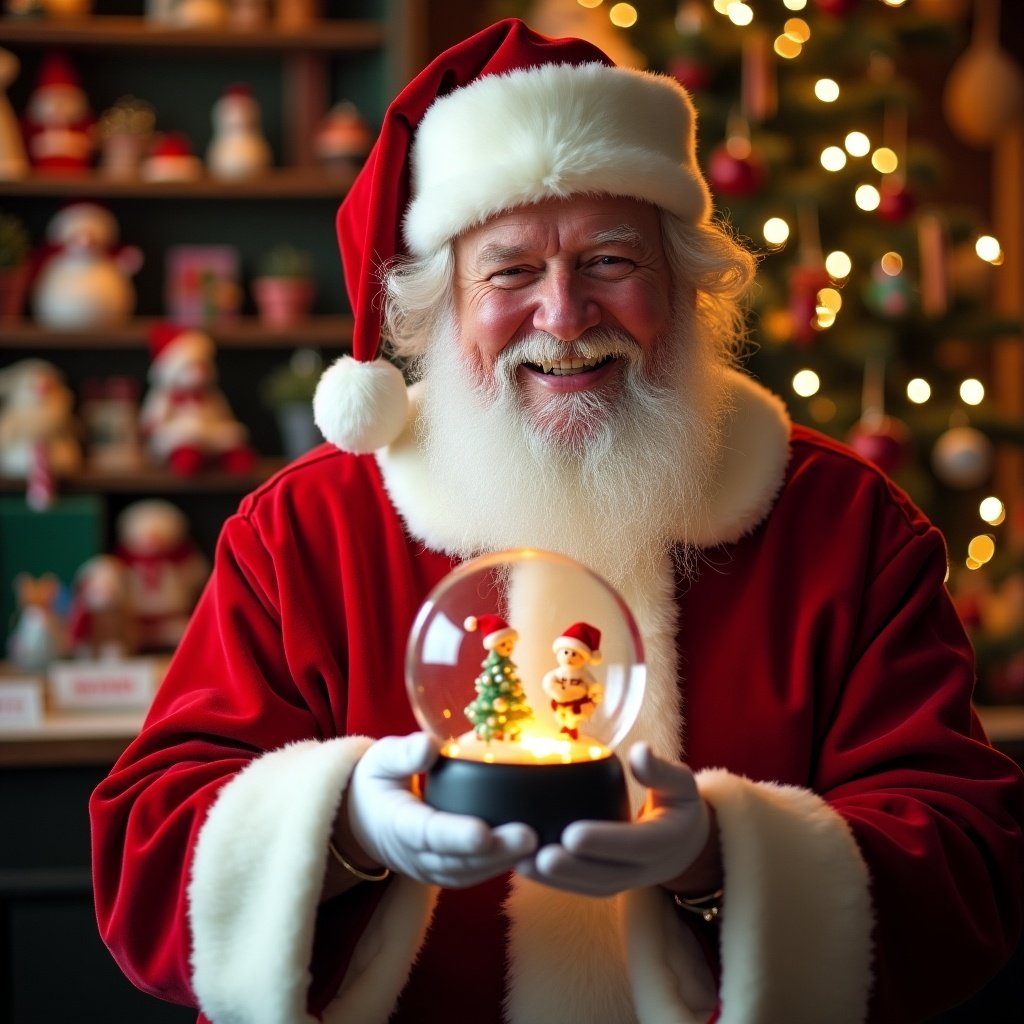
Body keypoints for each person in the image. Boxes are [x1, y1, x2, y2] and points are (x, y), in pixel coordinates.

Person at [89, 19, 1024, 1024]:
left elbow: (967, 868)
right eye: (509, 272)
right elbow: (145, 867)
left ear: (683, 287)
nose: (566, 314)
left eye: (612, 260)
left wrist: (718, 852)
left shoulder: (843, 523)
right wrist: (347, 826)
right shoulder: (305, 528)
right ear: (438, 306)